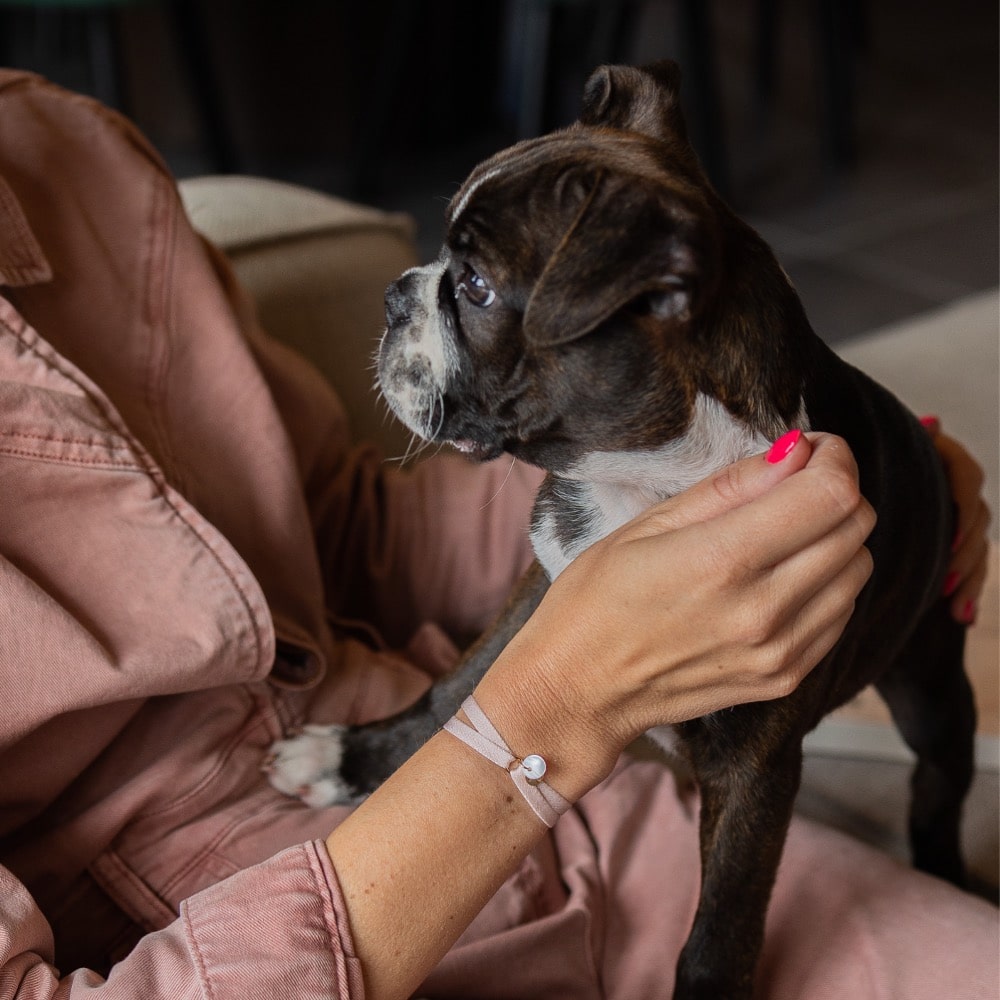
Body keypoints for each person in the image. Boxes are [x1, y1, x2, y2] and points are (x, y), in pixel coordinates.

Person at [0, 69, 995, 1000]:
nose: (413, 294)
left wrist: (754, 478)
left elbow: (336, 523)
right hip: (265, 924)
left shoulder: (67, 152)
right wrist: (543, 709)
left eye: (467, 284)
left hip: (564, 812)